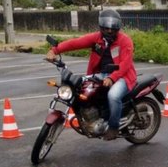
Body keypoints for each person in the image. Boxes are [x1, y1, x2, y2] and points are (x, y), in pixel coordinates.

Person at [46, 9, 137, 140]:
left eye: (113, 28)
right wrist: (54, 50)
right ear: (101, 27)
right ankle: (93, 117)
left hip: (123, 76)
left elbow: (125, 64)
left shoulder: (125, 41)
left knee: (113, 95)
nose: (109, 31)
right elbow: (75, 43)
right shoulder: (97, 38)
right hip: (101, 74)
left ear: (118, 28)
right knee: (80, 89)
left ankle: (113, 127)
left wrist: (112, 77)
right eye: (106, 28)